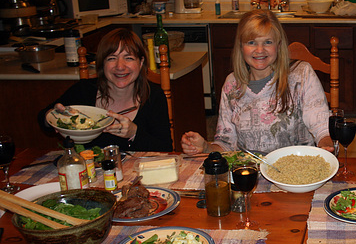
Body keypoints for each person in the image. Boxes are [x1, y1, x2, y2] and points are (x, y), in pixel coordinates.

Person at [181, 9, 332, 155]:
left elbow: (321, 124)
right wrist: (206, 147)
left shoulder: (301, 74)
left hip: (296, 169)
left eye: (267, 42)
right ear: (241, 47)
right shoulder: (231, 84)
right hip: (250, 172)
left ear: (278, 46)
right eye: (251, 42)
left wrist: (326, 143)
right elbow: (226, 143)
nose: (260, 50)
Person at [39, 28, 173, 152]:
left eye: (129, 58)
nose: (120, 66)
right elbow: (44, 120)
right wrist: (52, 116)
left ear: (141, 62)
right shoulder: (84, 91)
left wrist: (134, 133)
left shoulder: (153, 96)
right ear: (102, 64)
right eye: (112, 58)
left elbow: (165, 149)